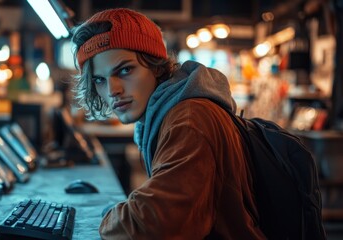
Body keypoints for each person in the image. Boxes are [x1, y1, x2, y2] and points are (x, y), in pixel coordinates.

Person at [71, 8, 266, 239]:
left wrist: (107, 217)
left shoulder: (189, 120)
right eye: (100, 80)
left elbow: (154, 224)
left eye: (125, 70)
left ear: (155, 65)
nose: (112, 90)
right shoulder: (169, 114)